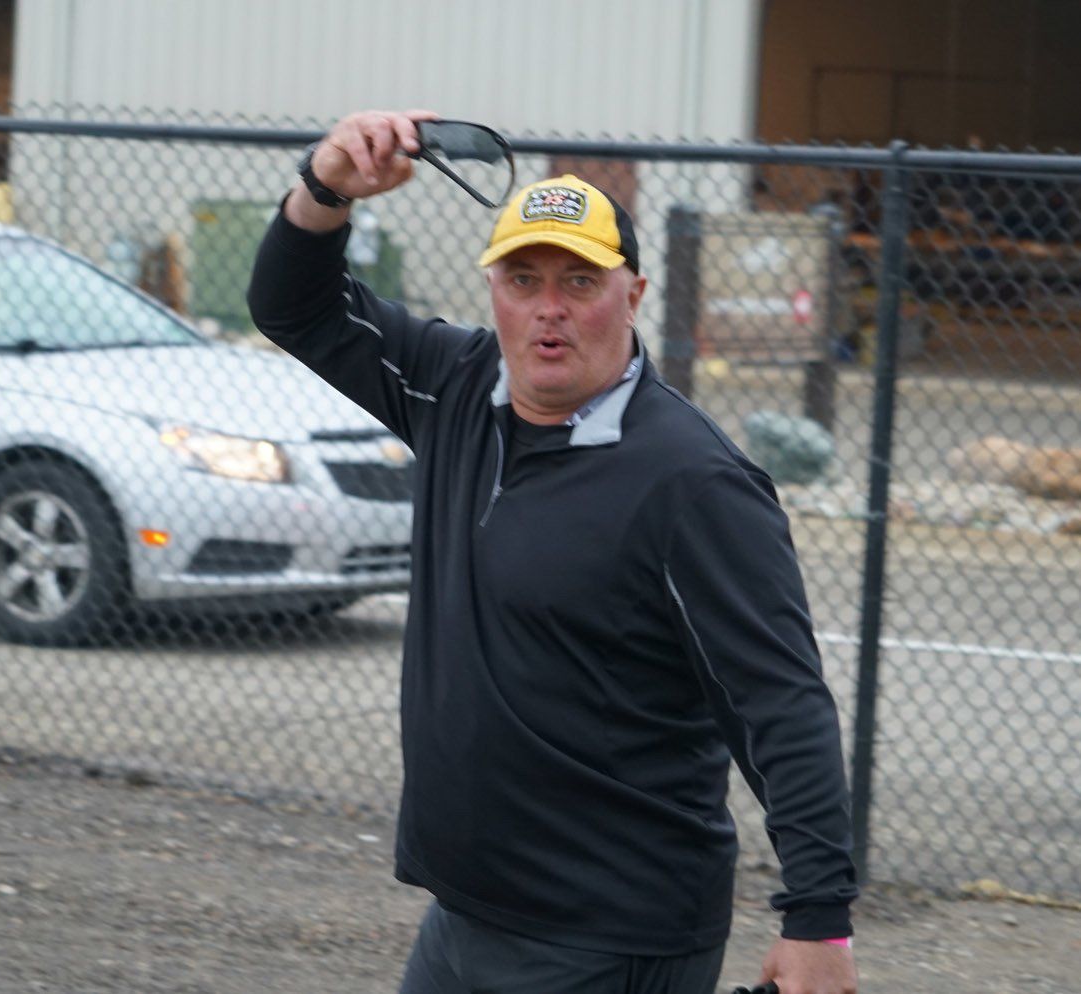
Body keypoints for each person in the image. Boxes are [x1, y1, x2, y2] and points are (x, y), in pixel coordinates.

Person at [247, 110, 859, 994]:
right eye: (523, 278)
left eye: (580, 281)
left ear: (634, 295)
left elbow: (780, 702)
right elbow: (293, 307)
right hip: (463, 914)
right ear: (492, 287)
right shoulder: (455, 388)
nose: (548, 310)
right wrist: (325, 185)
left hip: (606, 935)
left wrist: (819, 921)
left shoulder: (690, 482)